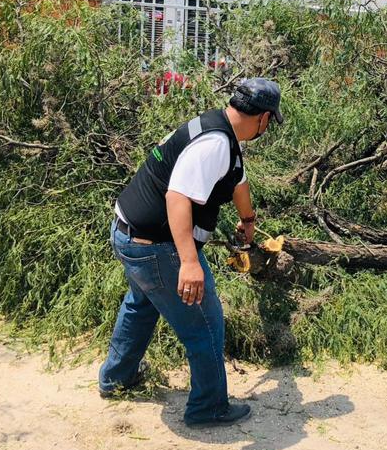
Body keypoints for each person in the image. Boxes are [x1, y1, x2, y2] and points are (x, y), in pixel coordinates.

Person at [98, 78, 283, 427]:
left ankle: (116, 378)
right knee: (205, 323)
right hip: (155, 247)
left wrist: (248, 220)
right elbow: (177, 197)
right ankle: (208, 407)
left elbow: (238, 180)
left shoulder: (220, 128)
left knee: (141, 305)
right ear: (263, 118)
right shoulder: (215, 144)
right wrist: (189, 262)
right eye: (270, 121)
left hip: (130, 234)